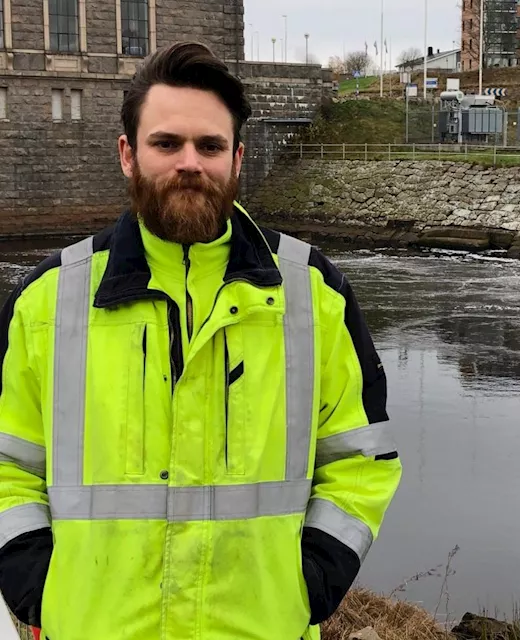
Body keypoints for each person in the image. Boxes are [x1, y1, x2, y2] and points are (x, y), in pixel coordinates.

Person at [0, 41, 402, 639]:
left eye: (210, 146)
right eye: (166, 143)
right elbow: (8, 466)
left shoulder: (315, 296)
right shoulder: (47, 302)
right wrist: (37, 588)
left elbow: (360, 459)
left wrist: (311, 582)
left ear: (237, 158)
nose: (190, 162)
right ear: (127, 155)